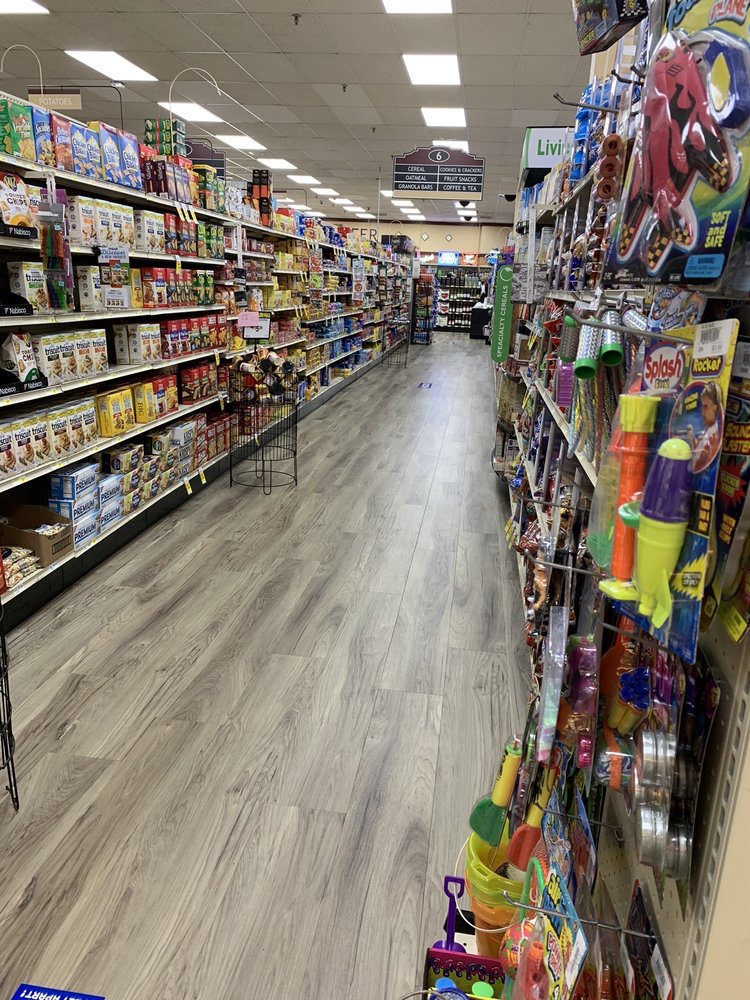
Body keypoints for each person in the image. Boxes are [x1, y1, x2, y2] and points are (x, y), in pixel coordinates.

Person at [687, 382, 721, 471]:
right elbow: (699, 451)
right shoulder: (709, 429)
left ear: (714, 408)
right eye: (702, 406)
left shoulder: (712, 437)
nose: (702, 413)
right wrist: (692, 438)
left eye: (705, 406)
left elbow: (697, 466)